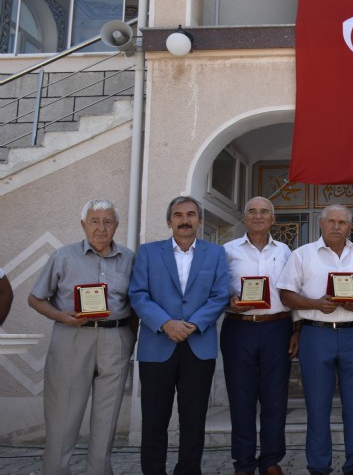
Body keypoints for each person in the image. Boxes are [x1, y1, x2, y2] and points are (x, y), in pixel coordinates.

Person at [28, 199, 135, 475]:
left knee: (107, 416)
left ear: (116, 226)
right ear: (83, 224)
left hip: (116, 338)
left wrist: (130, 341)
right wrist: (61, 317)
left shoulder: (129, 258)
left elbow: (137, 303)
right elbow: (35, 298)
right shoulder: (63, 256)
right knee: (63, 416)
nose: (101, 228)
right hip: (71, 337)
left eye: (108, 221)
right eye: (94, 221)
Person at [129, 196, 231, 475]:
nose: (184, 220)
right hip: (157, 344)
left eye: (190, 214)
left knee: (193, 419)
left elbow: (220, 295)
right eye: (178, 215)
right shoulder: (148, 252)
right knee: (153, 418)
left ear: (199, 220)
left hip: (199, 345)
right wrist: (165, 323)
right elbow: (138, 294)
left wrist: (194, 324)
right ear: (169, 221)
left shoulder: (216, 254)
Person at [277, 204, 353, 475]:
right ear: (321, 224)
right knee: (317, 405)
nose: (336, 226)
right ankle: (319, 467)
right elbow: (286, 294)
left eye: (342, 222)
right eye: (331, 221)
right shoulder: (302, 254)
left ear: (350, 226)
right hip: (316, 333)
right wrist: (315, 303)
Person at [222, 197, 297, 475]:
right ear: (244, 217)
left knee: (275, 398)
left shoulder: (286, 251)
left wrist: (296, 329)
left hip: (277, 328)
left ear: (273, 219)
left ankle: (271, 460)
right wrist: (227, 301)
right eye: (252, 211)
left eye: (264, 211)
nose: (258, 216)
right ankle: (243, 462)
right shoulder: (227, 251)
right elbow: (217, 289)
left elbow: (292, 291)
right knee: (241, 397)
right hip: (238, 327)